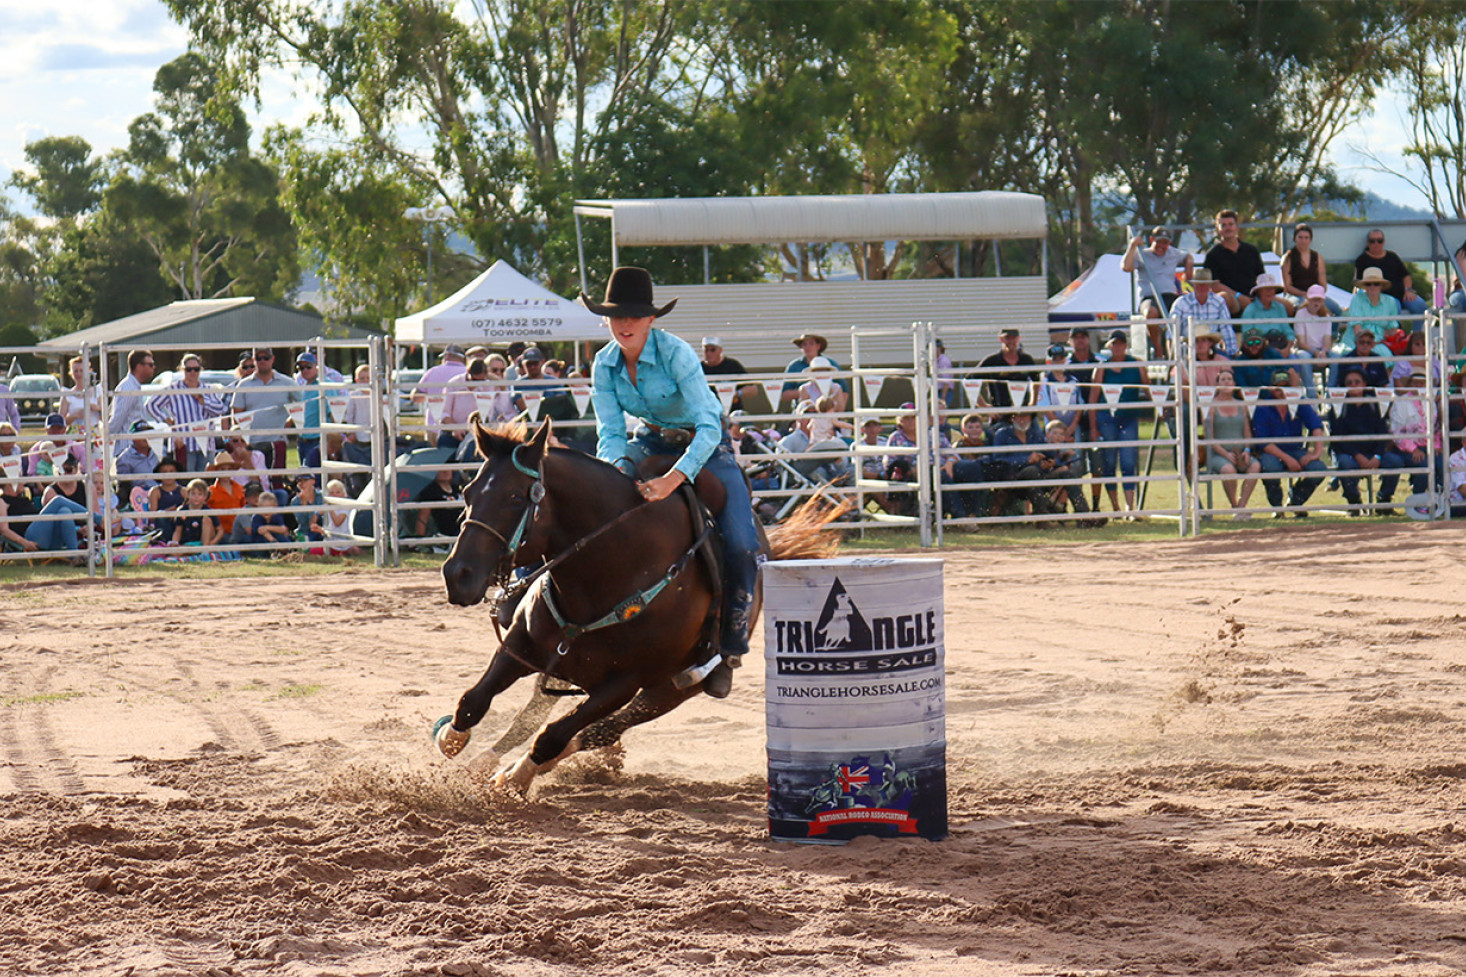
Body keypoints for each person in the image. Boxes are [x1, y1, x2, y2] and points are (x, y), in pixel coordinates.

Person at [584, 265, 760, 699]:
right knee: (597, 513)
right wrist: (618, 470)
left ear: (651, 319)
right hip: (647, 440)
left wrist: (673, 479)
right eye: (615, 316)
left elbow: (708, 425)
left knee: (741, 543)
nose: (623, 324)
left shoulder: (677, 354)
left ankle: (729, 646)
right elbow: (610, 433)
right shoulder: (604, 365)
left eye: (633, 315)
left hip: (707, 446)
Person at [1089, 330, 1150, 515]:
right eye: (1114, 344)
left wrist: (1163, 407)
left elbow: (1148, 389)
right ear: (1110, 346)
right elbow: (1093, 399)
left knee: (1128, 461)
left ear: (1125, 345)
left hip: (1129, 417)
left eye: (1121, 344)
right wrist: (1093, 427)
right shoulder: (1101, 368)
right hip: (1107, 418)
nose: (1118, 347)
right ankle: (1115, 506)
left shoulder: (1137, 365)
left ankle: (1130, 506)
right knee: (1108, 461)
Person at [1252, 369, 1328, 516]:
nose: (1281, 391)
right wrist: (1287, 459)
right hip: (1271, 451)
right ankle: (1277, 507)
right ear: (1271, 388)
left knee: (1318, 467)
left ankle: (1295, 501)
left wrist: (1316, 453)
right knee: (1270, 467)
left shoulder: (1298, 402)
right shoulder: (1262, 406)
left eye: (1285, 386)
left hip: (1295, 449)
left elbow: (1316, 426)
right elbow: (1263, 442)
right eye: (1278, 387)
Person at [1328, 366, 1399, 515]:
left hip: (1373, 452)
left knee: (1394, 461)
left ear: (1365, 384)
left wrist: (1377, 456)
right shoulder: (1338, 406)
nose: (1354, 385)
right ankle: (1354, 502)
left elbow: (1383, 433)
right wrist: (1357, 456)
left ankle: (1384, 500)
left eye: (1357, 382)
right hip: (1349, 453)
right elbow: (1338, 439)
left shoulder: (1375, 404)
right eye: (1349, 382)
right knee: (1345, 463)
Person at [145, 351, 228, 474]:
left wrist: (203, 401)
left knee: (206, 480)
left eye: (196, 369)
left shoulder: (208, 389)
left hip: (206, 443)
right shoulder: (173, 389)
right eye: (189, 369)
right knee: (186, 479)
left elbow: (220, 410)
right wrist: (167, 421)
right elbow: (150, 405)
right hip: (183, 444)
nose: (193, 373)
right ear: (182, 370)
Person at [1122, 226, 1193, 357]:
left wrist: (1189, 269)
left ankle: (1178, 352)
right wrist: (1132, 245)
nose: (1162, 246)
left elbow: (1188, 256)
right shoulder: (1142, 253)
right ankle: (1159, 352)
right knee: (1150, 313)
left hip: (1170, 296)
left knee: (1183, 312)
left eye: (1165, 242)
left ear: (1169, 243)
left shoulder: (1174, 253)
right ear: (1151, 240)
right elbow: (1126, 267)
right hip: (1150, 297)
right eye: (1158, 241)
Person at [230, 347, 304, 471]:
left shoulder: (287, 383)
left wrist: (288, 424)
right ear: (254, 360)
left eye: (266, 358)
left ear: (273, 359)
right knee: (253, 480)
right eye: (259, 358)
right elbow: (236, 415)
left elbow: (301, 405)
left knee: (276, 480)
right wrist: (241, 441)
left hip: (277, 442)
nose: (262, 361)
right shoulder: (244, 385)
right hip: (251, 443)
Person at [1202, 368, 1261, 517]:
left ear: (1234, 383)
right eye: (1223, 379)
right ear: (1217, 384)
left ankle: (1242, 506)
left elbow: (1247, 433)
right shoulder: (1210, 405)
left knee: (1255, 465)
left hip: (1240, 452)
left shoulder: (1242, 404)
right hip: (1218, 454)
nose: (1227, 382)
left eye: (1229, 379)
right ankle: (1235, 506)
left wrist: (1247, 451)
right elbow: (1210, 437)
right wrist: (1226, 454)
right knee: (1229, 470)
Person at [1388, 369, 1444, 498]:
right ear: (1409, 384)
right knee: (1424, 465)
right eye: (1415, 383)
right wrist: (1413, 449)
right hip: (1406, 448)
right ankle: (1418, 499)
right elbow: (1397, 430)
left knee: (1441, 463)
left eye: (1422, 383)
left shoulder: (1430, 402)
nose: (1419, 386)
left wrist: (1436, 445)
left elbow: (1435, 427)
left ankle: (1439, 499)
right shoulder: (1400, 402)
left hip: (1428, 446)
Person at [1203, 209, 1265, 316]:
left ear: (1237, 227)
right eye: (1224, 225)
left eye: (1231, 224)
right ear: (1218, 229)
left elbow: (1261, 277)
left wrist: (1261, 297)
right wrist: (1239, 297)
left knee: (1287, 306)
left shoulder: (1251, 250)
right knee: (1224, 297)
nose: (1228, 228)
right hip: (1233, 301)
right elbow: (1215, 286)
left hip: (1255, 298)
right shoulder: (1212, 255)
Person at [1355, 229, 1426, 314]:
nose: (1376, 244)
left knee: (1421, 306)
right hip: (1382, 298)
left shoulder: (1392, 257)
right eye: (1372, 241)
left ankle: (1418, 328)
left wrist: (1408, 290)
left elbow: (1406, 276)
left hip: (1402, 294)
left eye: (1379, 241)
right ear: (1368, 242)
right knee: (1394, 308)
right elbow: (1360, 283)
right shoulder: (1362, 260)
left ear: (1384, 242)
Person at [1170, 268, 1236, 356]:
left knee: (1225, 363)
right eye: (1198, 284)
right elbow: (1172, 333)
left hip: (1212, 350)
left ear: (1210, 286)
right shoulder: (1181, 303)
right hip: (1188, 350)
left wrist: (1231, 353)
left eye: (1205, 285)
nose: (1201, 288)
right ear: (1193, 285)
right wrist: (1175, 358)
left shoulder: (1218, 302)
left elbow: (1227, 329)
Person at [1279, 222, 1340, 314]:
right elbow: (1287, 286)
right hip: (1295, 295)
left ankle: (1331, 329)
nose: (1303, 241)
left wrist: (1316, 296)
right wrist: (1304, 295)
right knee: (1300, 308)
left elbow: (1323, 283)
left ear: (1310, 240)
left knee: (1336, 310)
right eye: (1300, 237)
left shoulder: (1317, 257)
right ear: (1295, 238)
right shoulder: (1288, 257)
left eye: (1306, 238)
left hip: (1316, 295)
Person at [413, 344, 469, 442]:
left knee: (436, 455)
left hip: (435, 426)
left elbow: (416, 397)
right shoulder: (467, 373)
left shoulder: (433, 372)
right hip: (463, 427)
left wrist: (433, 397)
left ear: (446, 356)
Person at [106, 348, 157, 450]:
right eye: (150, 365)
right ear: (139, 366)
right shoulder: (129, 387)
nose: (154, 367)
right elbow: (117, 420)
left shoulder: (133, 386)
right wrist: (104, 435)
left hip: (135, 446)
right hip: (128, 447)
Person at [1344, 266, 1403, 352]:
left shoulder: (1390, 301)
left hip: (1380, 343)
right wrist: (1367, 343)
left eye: (1376, 283)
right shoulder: (1357, 299)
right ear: (1365, 286)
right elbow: (1357, 329)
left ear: (1381, 285)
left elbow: (1392, 329)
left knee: (1388, 357)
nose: (1372, 287)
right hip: (1356, 342)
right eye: (1369, 284)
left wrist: (1382, 339)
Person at [780, 333, 846, 408]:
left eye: (811, 344)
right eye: (804, 344)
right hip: (803, 411)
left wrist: (839, 413)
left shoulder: (831, 364)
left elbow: (844, 391)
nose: (807, 347)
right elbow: (784, 395)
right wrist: (807, 391)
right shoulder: (794, 366)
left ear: (818, 346)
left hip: (829, 411)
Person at [978, 328, 1036, 412]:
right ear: (1001, 339)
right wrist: (983, 405)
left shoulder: (1026, 360)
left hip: (1024, 413)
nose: (1011, 341)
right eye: (1007, 338)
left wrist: (1033, 403)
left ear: (1019, 338)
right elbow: (968, 381)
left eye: (1014, 338)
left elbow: (1037, 382)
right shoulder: (992, 361)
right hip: (999, 412)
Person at [1293, 284, 1334, 386]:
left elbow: (1327, 340)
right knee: (1304, 357)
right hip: (1307, 350)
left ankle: (1331, 391)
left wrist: (1324, 352)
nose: (1316, 303)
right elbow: (1301, 343)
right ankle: (1311, 394)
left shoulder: (1327, 316)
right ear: (1308, 300)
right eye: (1314, 300)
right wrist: (1315, 352)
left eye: (1319, 300)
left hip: (1321, 350)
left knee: (1337, 357)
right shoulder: (1300, 314)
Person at [171, 479, 219, 548]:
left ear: (205, 496)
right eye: (193, 494)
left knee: (206, 520)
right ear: (188, 494)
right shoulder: (182, 510)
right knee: (175, 552)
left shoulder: (208, 510)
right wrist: (174, 542)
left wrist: (213, 542)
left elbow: (220, 530)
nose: (196, 497)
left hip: (205, 542)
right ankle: (192, 552)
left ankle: (204, 550)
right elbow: (178, 530)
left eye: (200, 494)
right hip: (188, 543)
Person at [57, 356, 101, 429]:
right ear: (71, 373)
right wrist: (75, 415)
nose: (79, 374)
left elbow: (106, 415)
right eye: (76, 371)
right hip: (75, 433)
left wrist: (97, 408)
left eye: (81, 370)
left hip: (94, 432)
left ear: (89, 371)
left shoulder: (97, 391)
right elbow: (60, 421)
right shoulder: (67, 394)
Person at [323, 478, 358, 555]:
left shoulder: (344, 506)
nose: (335, 495)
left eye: (338, 492)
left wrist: (330, 508)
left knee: (314, 551)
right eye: (331, 492)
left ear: (343, 494)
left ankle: (349, 550)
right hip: (330, 539)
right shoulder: (326, 505)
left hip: (342, 541)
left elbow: (337, 522)